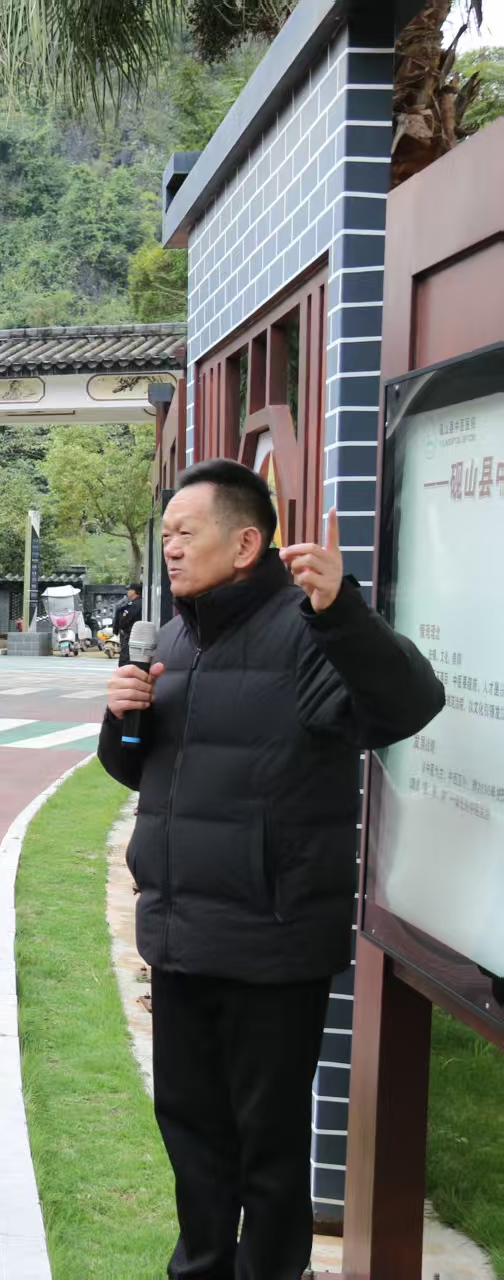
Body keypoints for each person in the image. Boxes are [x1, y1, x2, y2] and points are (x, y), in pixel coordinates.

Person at [97, 460, 444, 1280]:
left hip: (272, 938)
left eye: (187, 533)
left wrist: (343, 611)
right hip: (181, 933)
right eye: (167, 534)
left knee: (269, 1146)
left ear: (246, 542)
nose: (171, 549)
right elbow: (137, 770)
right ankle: (200, 1268)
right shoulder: (172, 639)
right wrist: (120, 719)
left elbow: (408, 705)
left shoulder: (309, 631)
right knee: (191, 1132)